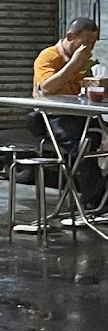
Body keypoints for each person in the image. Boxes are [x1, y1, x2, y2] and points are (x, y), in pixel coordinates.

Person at [31, 17, 105, 209]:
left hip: (82, 115)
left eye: (93, 44)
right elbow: (46, 88)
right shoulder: (48, 57)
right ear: (70, 36)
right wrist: (73, 63)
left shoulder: (86, 61)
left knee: (98, 139)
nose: (89, 47)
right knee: (83, 148)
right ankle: (95, 201)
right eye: (85, 43)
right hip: (54, 116)